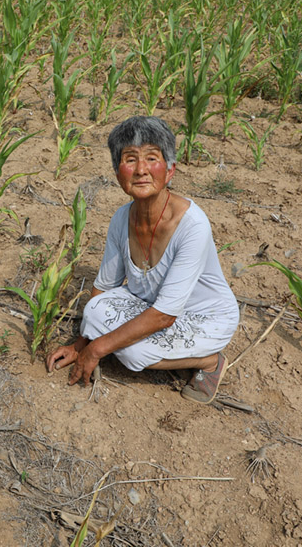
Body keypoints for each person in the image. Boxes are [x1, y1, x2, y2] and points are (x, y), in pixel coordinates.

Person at [46, 116, 239, 404]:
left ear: (170, 170)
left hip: (201, 316)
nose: (141, 170)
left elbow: (165, 315)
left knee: (134, 354)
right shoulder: (121, 218)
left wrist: (97, 349)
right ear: (117, 173)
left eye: (152, 158)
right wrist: (80, 345)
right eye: (130, 159)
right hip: (150, 306)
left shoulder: (192, 225)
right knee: (95, 310)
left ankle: (209, 361)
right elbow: (104, 289)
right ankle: (122, 344)